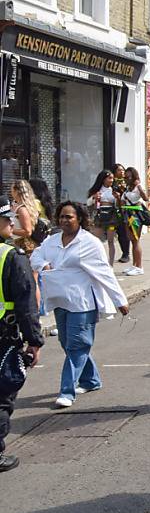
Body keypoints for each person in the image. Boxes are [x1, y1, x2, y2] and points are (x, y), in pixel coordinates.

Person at [32, 201, 129, 408]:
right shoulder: (52, 241)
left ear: (80, 219)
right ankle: (90, 380)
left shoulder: (90, 243)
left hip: (83, 302)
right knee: (68, 344)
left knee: (77, 345)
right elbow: (36, 255)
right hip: (60, 301)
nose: (64, 220)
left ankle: (67, 391)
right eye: (62, 216)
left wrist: (120, 300)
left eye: (69, 217)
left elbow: (105, 273)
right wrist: (44, 264)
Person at [0, 196, 45, 473]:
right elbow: (27, 305)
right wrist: (34, 341)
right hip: (3, 337)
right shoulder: (11, 257)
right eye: (6, 219)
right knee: (2, 397)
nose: (11, 222)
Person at [120, 168, 149, 276]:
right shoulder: (127, 188)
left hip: (136, 215)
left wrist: (140, 187)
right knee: (131, 239)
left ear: (134, 177)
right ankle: (134, 265)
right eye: (125, 177)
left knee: (136, 240)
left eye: (128, 177)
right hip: (128, 215)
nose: (126, 179)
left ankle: (139, 266)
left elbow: (146, 198)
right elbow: (123, 201)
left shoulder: (138, 187)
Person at [87, 170, 119, 265]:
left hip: (111, 217)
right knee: (96, 240)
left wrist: (118, 198)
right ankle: (97, 261)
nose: (111, 180)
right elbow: (88, 203)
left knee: (110, 241)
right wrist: (94, 198)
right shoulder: (97, 190)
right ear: (103, 179)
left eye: (112, 178)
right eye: (109, 178)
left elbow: (118, 206)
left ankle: (111, 264)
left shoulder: (115, 190)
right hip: (99, 215)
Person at [9, 180, 40, 256]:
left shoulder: (22, 209)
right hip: (21, 244)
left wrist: (9, 230)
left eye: (12, 190)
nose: (11, 193)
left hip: (24, 246)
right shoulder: (19, 207)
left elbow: (27, 231)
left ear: (17, 191)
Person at [111, 164, 131, 264]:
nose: (122, 172)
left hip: (123, 210)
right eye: (119, 170)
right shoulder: (111, 182)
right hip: (113, 211)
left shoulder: (127, 183)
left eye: (122, 170)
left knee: (123, 232)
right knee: (118, 233)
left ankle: (126, 253)